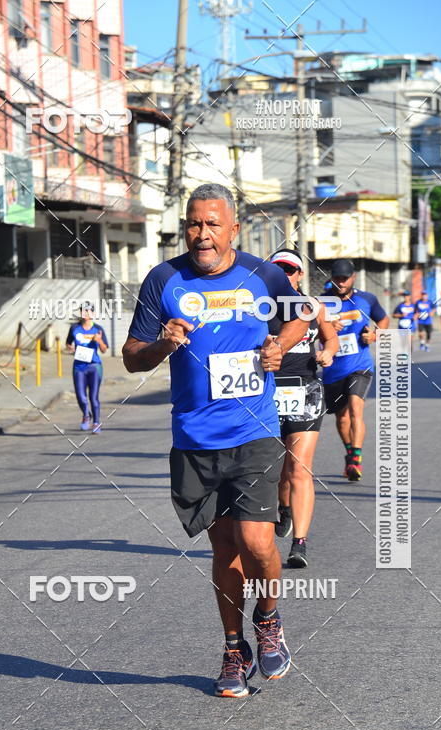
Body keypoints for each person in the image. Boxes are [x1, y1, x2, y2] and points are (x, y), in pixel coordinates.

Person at [122, 183, 310, 698]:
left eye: (211, 225)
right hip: (194, 437)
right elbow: (131, 354)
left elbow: (300, 320)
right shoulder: (164, 279)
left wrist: (277, 345)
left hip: (254, 430)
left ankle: (268, 618)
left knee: (256, 542)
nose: (201, 235)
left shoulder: (264, 274)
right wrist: (163, 342)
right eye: (193, 224)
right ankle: (233, 649)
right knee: (223, 547)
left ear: (233, 229)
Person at [269, 249, 339, 568]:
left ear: (299, 275)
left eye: (289, 269)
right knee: (275, 470)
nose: (283, 274)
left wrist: (328, 353)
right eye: (276, 269)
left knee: (298, 468)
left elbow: (331, 339)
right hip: (265, 393)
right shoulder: (254, 309)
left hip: (304, 389)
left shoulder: (313, 307)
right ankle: (283, 508)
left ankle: (300, 543)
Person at [322, 259, 389, 481]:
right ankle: (350, 452)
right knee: (341, 419)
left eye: (345, 278)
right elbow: (306, 325)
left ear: (353, 277)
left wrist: (375, 335)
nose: (341, 282)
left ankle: (355, 459)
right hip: (332, 369)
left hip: (359, 365)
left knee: (355, 410)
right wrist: (326, 325)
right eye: (337, 278)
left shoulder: (367, 299)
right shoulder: (321, 302)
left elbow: (384, 319)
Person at [66, 306, 108, 433]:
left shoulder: (98, 329)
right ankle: (86, 415)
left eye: (88, 311)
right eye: (83, 311)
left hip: (94, 366)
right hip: (79, 366)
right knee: (80, 396)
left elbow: (104, 349)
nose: (86, 314)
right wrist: (70, 349)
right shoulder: (74, 328)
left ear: (93, 313)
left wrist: (99, 340)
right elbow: (68, 343)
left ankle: (96, 423)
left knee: (93, 397)